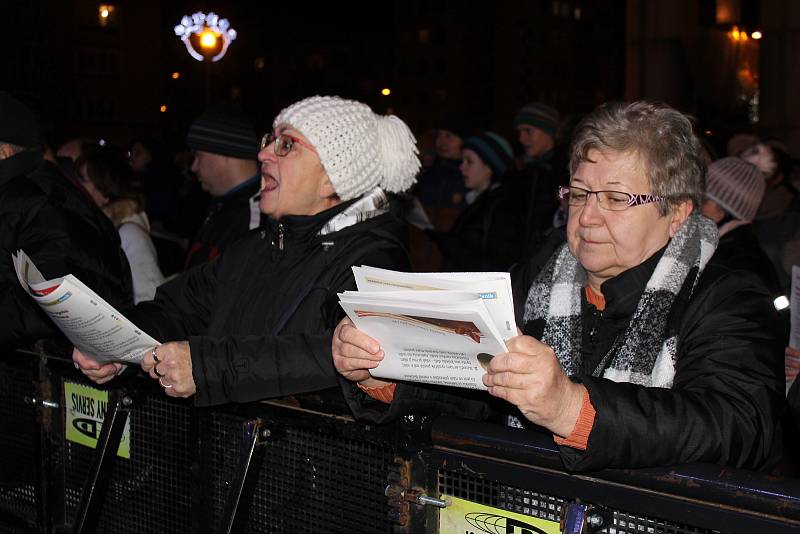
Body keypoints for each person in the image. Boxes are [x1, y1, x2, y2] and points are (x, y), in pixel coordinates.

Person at [332, 101, 784, 473]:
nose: (587, 216)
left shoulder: (729, 296)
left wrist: (572, 408)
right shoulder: (539, 277)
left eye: (616, 198)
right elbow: (476, 386)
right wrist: (384, 369)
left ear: (678, 212)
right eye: (581, 194)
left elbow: (740, 426)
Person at [73, 95, 419, 407]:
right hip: (231, 469)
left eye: (286, 145)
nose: (263, 153)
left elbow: (330, 354)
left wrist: (208, 367)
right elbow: (178, 309)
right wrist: (114, 342)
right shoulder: (255, 247)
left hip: (307, 474)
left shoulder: (372, 261)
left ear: (333, 176)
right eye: (269, 140)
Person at [0, 92, 133, 347]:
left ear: (5, 152)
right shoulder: (27, 194)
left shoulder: (38, 200)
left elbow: (50, 299)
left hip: (55, 372)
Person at [75, 146, 165, 303]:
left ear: (105, 189)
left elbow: (149, 298)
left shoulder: (130, 234)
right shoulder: (102, 227)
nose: (77, 186)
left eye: (83, 180)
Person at [426, 131, 519, 271]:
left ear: (490, 167)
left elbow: (491, 261)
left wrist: (444, 241)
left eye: (469, 161)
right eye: (462, 161)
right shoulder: (479, 201)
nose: (461, 167)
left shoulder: (501, 207)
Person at [184, 108, 262, 269]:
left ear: (225, 152)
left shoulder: (255, 222)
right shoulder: (222, 207)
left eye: (198, 155)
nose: (194, 167)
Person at [700, 157, 782, 299]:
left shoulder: (733, 266)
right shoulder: (719, 245)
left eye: (704, 200)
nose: (694, 204)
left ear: (724, 212)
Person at [505, 102, 569, 261]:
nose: (522, 138)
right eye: (519, 132)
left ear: (549, 131)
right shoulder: (520, 171)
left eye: (528, 131)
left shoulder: (566, 172)